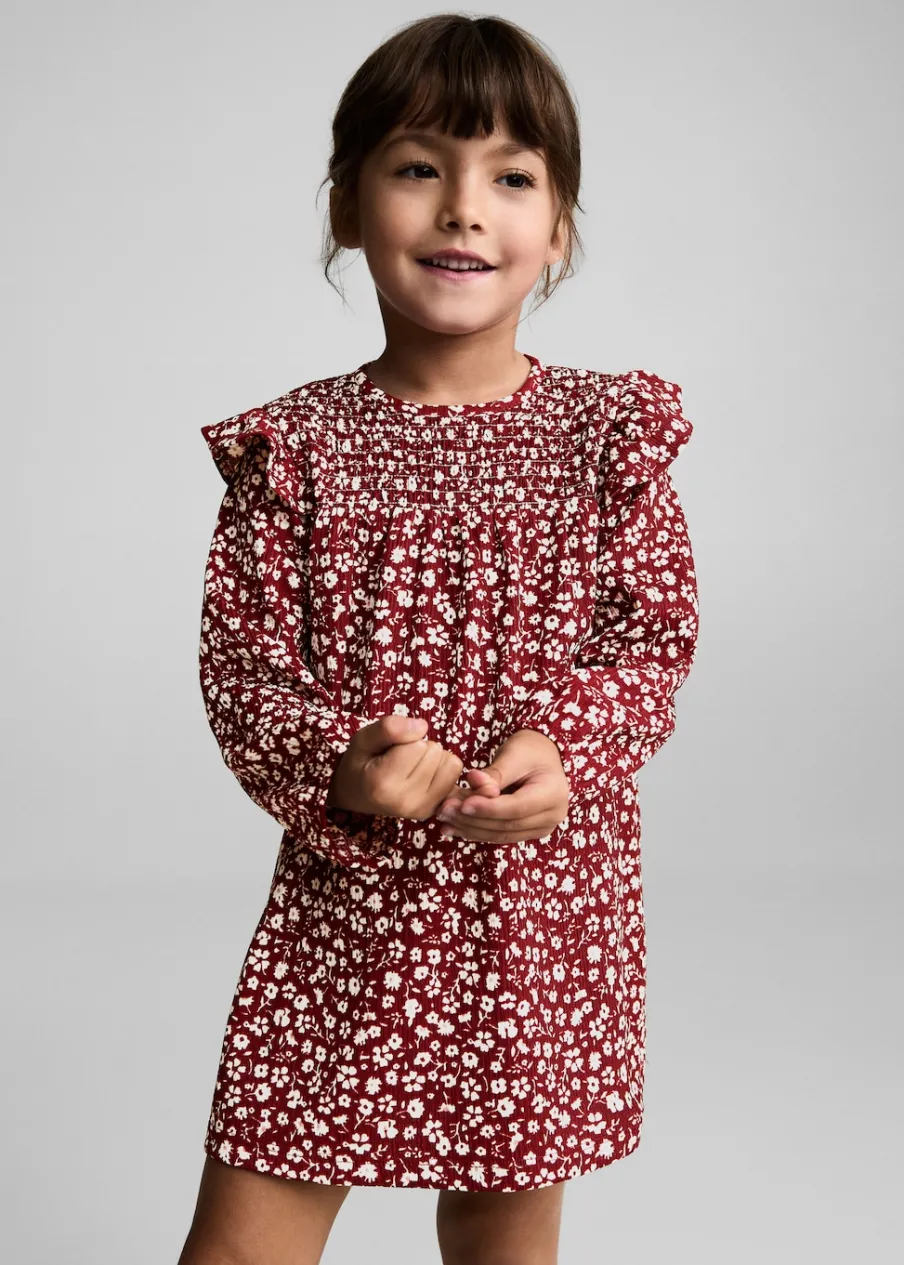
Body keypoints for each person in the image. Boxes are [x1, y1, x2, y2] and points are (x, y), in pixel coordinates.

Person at [178, 12, 699, 1265]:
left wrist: (565, 746)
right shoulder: (294, 452)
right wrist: (342, 765)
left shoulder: (606, 438)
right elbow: (242, 671)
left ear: (557, 227)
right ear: (347, 207)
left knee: (501, 1230)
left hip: (539, 909)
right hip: (349, 914)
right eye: (419, 167)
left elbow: (650, 639)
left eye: (511, 178)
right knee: (247, 1236)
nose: (464, 208)